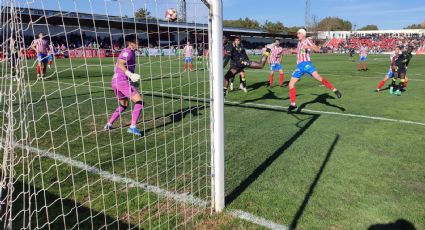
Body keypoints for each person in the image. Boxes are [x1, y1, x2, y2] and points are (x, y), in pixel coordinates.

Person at [288, 29, 342, 112]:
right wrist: (293, 51)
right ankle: (293, 104)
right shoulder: (299, 43)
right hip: (299, 66)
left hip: (306, 64)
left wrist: (308, 47)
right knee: (291, 84)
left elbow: (317, 49)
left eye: (298, 33)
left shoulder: (307, 41)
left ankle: (334, 89)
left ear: (303, 34)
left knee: (318, 77)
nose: (297, 35)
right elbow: (301, 51)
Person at [104, 35, 144, 136]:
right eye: (137, 42)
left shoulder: (131, 52)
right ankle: (133, 127)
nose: (139, 44)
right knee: (139, 101)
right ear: (131, 43)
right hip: (121, 81)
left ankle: (109, 124)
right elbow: (120, 64)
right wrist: (130, 74)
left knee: (124, 105)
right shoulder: (128, 52)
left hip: (116, 81)